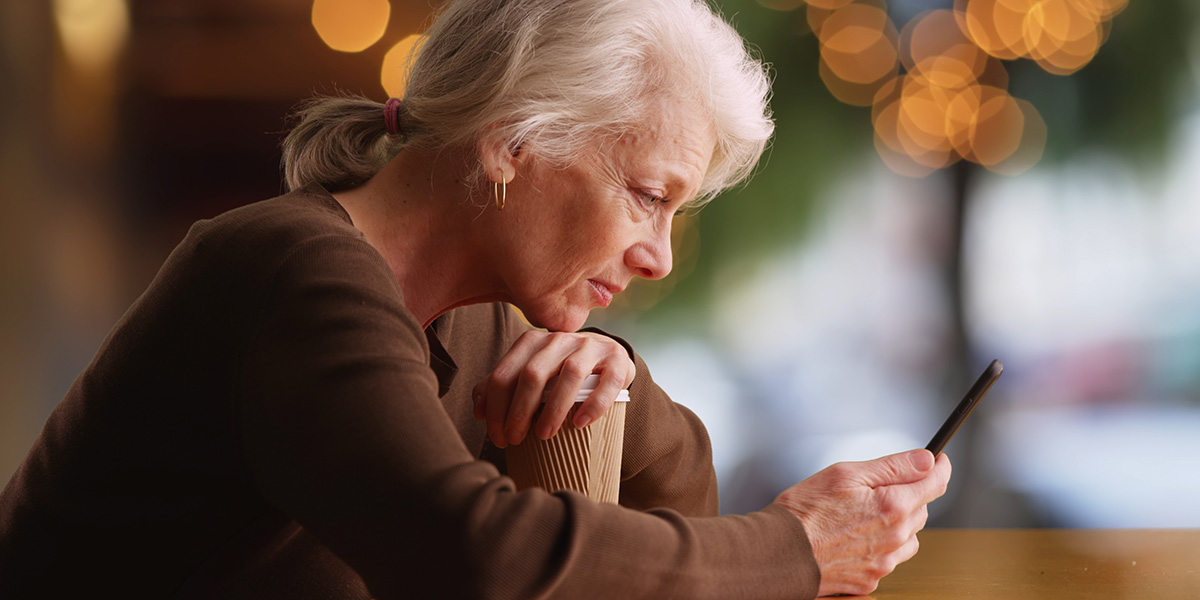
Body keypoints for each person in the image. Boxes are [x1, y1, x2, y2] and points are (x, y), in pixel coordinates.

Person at [0, 0, 951, 598]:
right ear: (512, 141)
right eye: (647, 195)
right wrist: (798, 548)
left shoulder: (485, 320)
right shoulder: (294, 267)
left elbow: (682, 522)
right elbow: (473, 557)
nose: (661, 258)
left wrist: (619, 387)